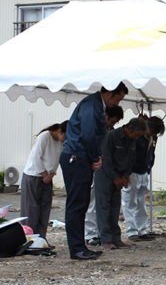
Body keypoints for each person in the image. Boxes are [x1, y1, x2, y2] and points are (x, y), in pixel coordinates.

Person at [59, 83, 128, 261]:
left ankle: (79, 246)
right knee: (77, 204)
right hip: (77, 156)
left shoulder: (95, 104)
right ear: (110, 93)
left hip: (79, 156)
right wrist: (94, 157)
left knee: (81, 203)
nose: (117, 104)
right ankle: (76, 248)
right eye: (118, 99)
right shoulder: (92, 105)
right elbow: (89, 134)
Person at [93, 117, 147, 250]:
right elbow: (106, 159)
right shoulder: (112, 136)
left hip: (120, 177)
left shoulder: (132, 140)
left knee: (115, 208)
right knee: (104, 207)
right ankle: (106, 240)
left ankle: (116, 238)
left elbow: (132, 159)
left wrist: (125, 176)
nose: (137, 138)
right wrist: (115, 177)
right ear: (129, 128)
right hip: (105, 175)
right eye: (137, 134)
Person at [20, 121, 67, 240]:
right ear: (60, 131)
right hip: (34, 176)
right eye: (66, 136)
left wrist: (50, 175)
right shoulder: (45, 136)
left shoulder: (61, 142)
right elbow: (36, 157)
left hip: (47, 178)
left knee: (44, 210)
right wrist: (44, 174)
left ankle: (41, 239)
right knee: (31, 210)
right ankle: (29, 239)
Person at [121, 115, 165, 242]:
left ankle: (141, 229)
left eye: (155, 133)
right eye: (152, 131)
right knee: (129, 201)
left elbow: (152, 153)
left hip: (144, 171)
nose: (152, 134)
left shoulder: (152, 137)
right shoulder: (137, 136)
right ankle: (132, 231)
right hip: (132, 171)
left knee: (141, 202)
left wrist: (149, 167)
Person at [85, 105, 124, 246]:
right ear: (106, 116)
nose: (113, 124)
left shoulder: (110, 131)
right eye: (113, 121)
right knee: (93, 202)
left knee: (104, 204)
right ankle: (91, 233)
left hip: (105, 168)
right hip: (94, 167)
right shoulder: (95, 129)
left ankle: (101, 232)